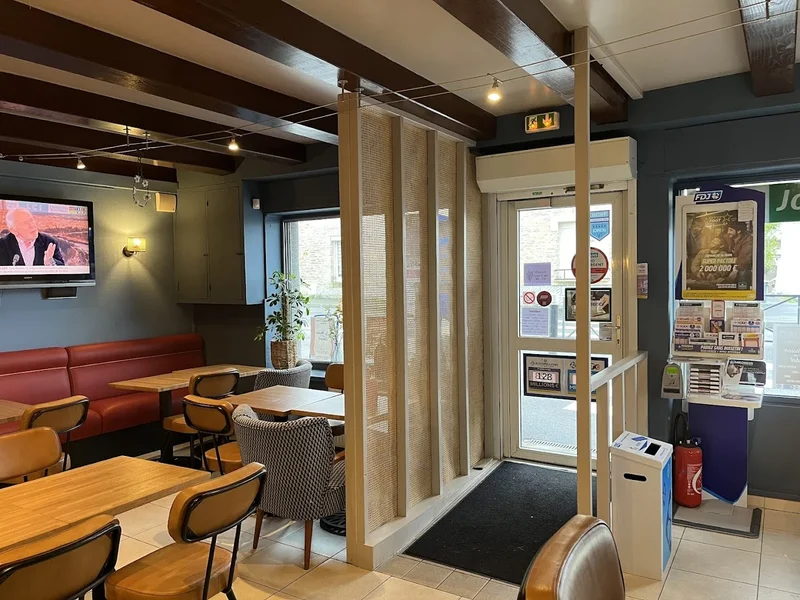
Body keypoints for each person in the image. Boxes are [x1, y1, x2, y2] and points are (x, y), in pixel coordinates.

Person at [0, 208, 65, 267]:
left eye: (31, 220)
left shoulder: (49, 242)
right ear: (13, 230)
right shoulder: (2, 245)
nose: (32, 225)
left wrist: (50, 262)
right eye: (25, 223)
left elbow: (62, 267)